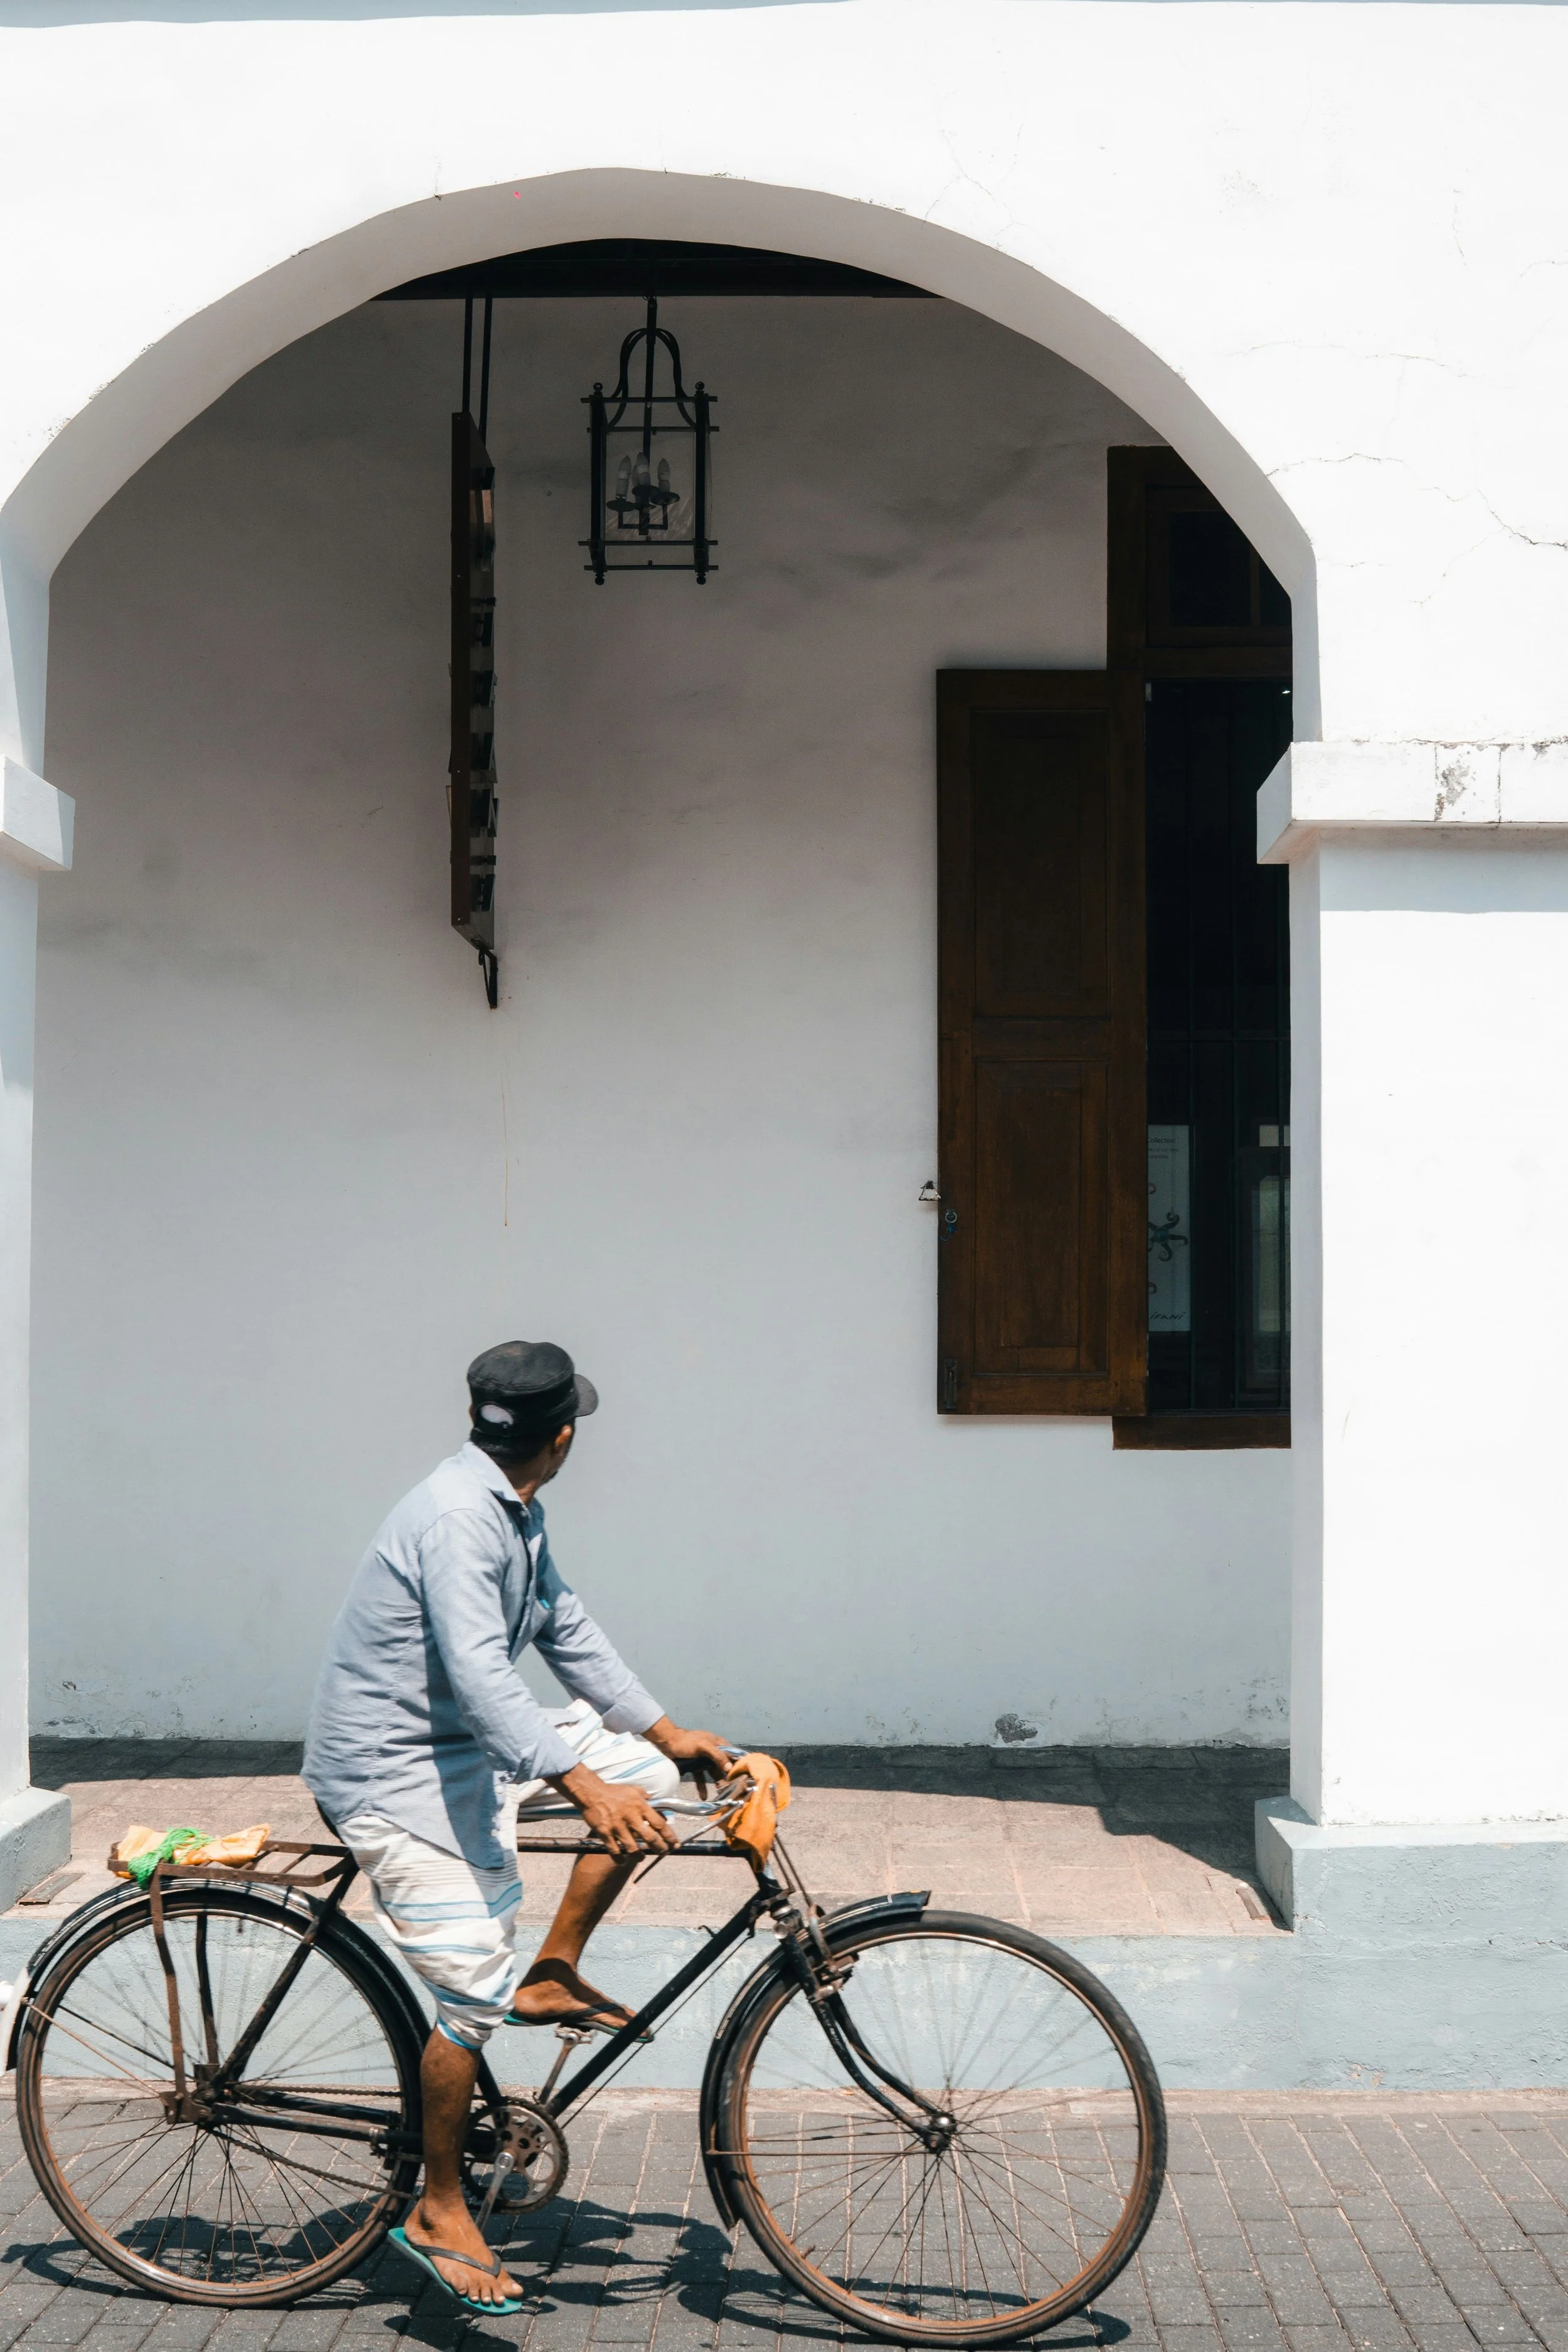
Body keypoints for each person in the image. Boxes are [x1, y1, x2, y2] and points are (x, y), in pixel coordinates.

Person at [302, 1340, 733, 2312]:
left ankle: (556, 1966)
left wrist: (665, 1734)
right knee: (471, 1989)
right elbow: (480, 1675)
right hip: (391, 1769)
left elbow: (562, 1625)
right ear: (565, 1434)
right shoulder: (461, 1519)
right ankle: (440, 2206)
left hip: (462, 1743)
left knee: (652, 1774)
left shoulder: (508, 1506)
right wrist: (581, 1784)